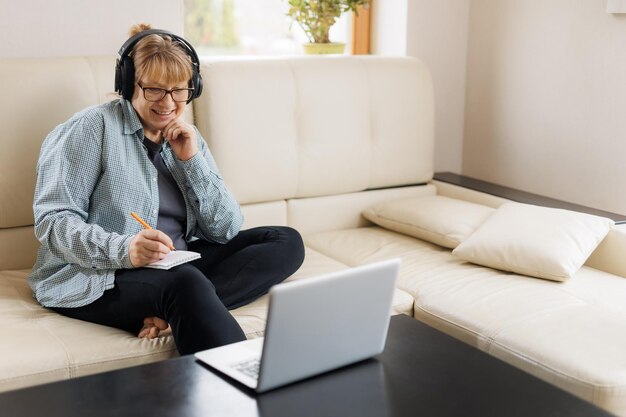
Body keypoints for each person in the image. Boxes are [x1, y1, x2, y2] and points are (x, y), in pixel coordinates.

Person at [28, 24, 305, 355]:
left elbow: (226, 229)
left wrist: (191, 161)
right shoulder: (91, 128)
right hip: (103, 274)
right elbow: (54, 221)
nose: (169, 103)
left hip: (174, 265)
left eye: (179, 91)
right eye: (155, 90)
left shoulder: (188, 137)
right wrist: (125, 249)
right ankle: (237, 378)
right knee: (186, 283)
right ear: (129, 84)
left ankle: (179, 311)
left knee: (286, 241)